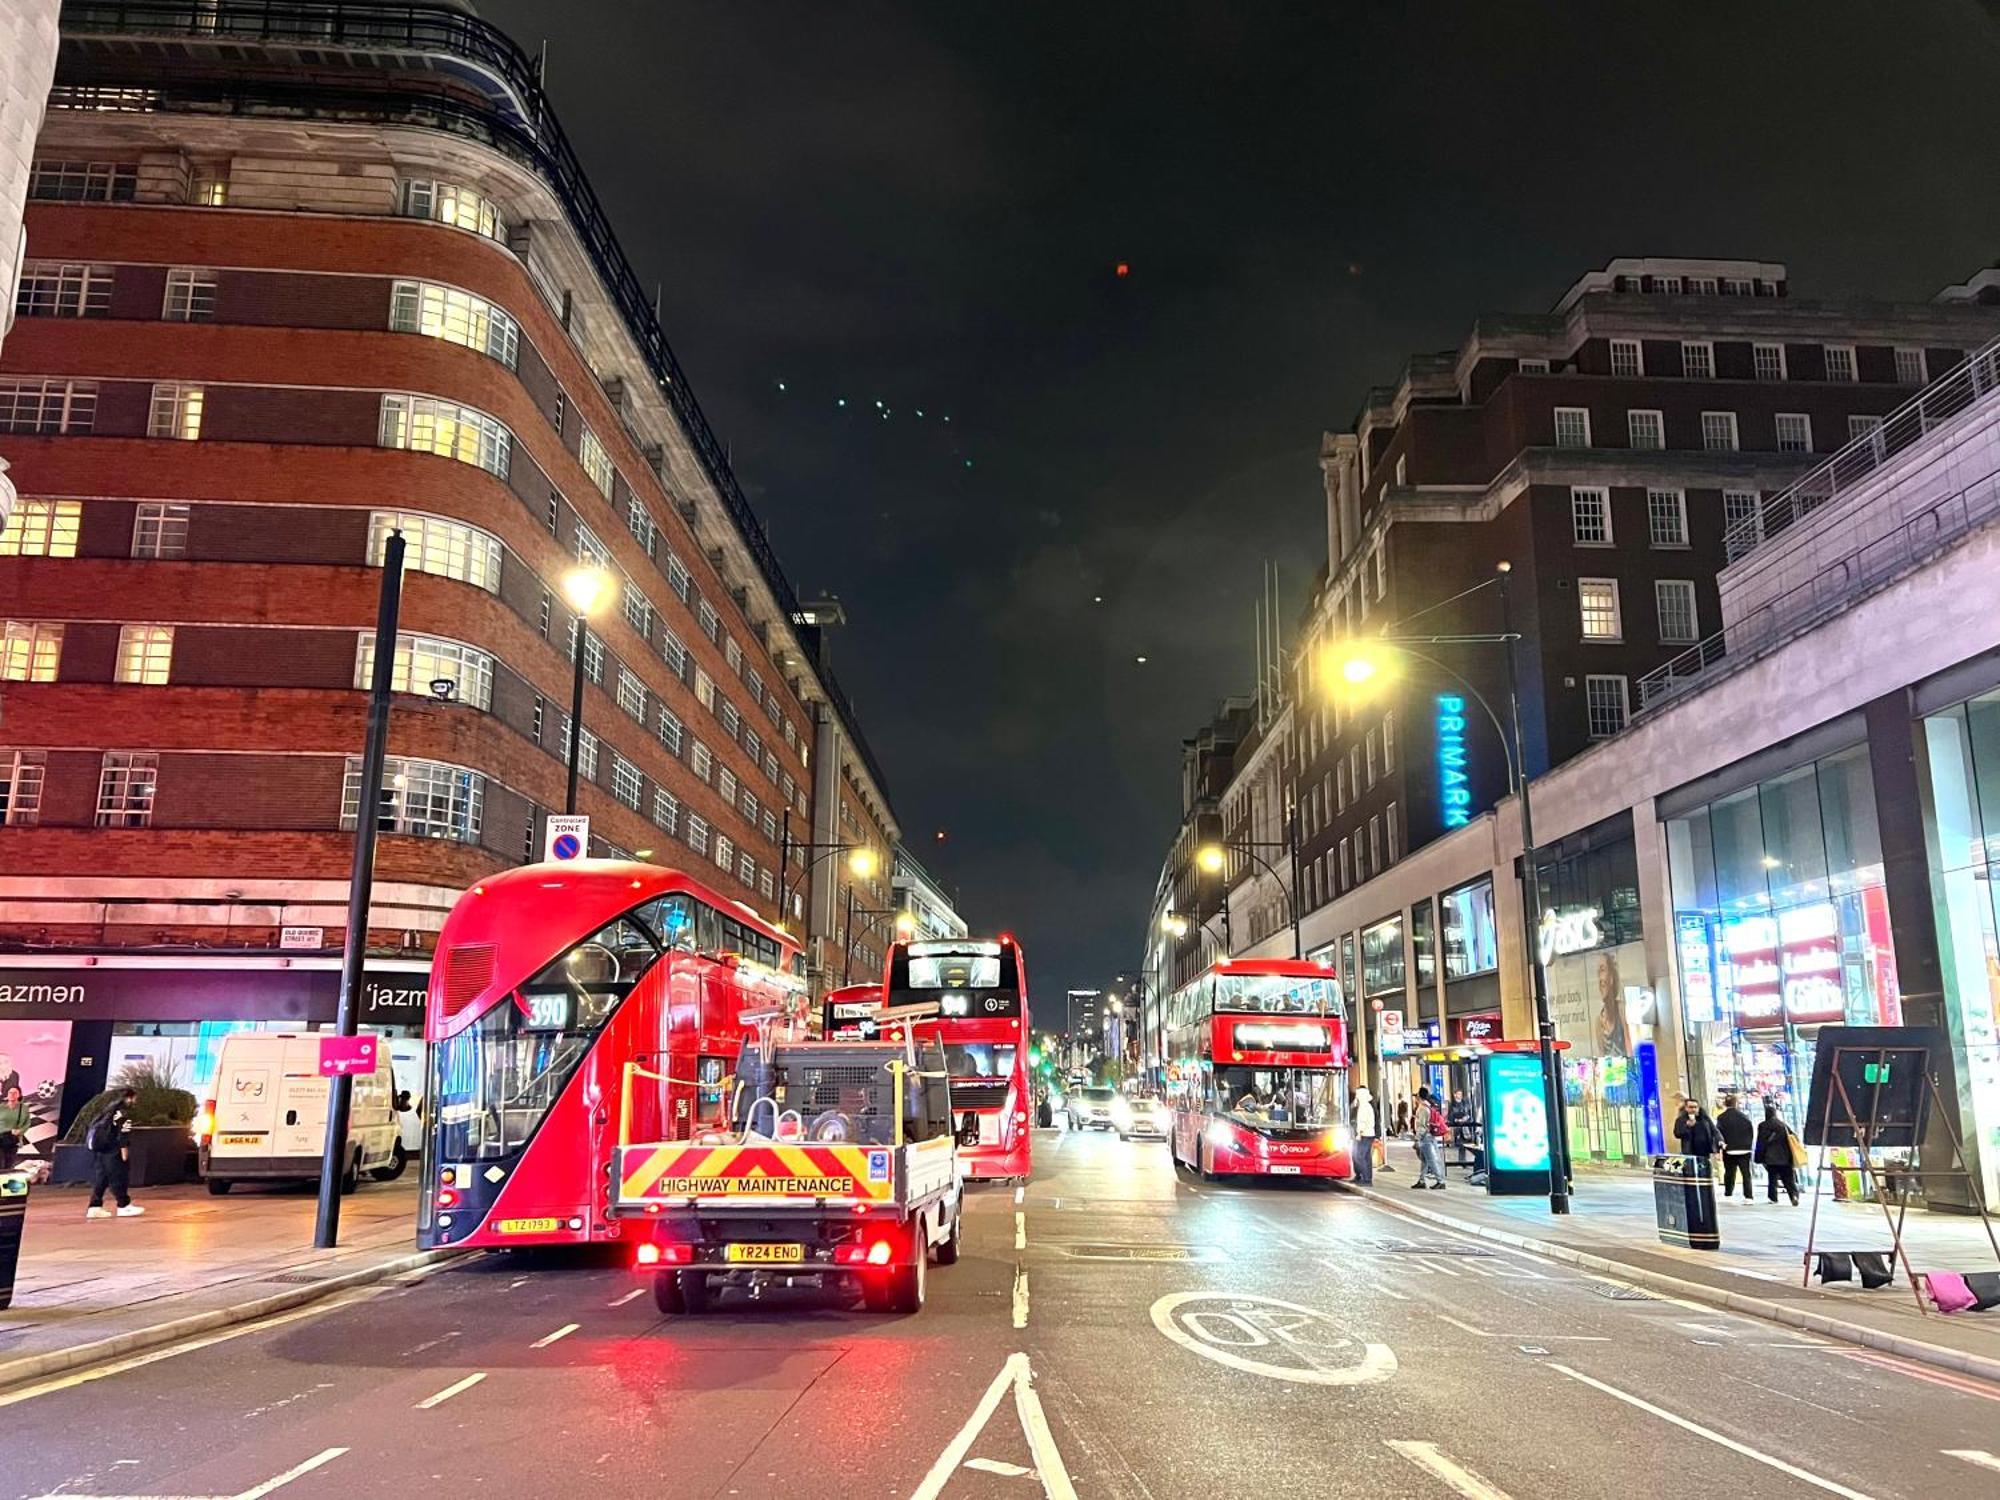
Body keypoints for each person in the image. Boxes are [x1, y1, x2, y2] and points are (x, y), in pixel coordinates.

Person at [85, 1087, 146, 1219]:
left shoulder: (107, 1111)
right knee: (119, 1178)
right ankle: (123, 1205)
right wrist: (124, 1151)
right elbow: (123, 1133)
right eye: (134, 1098)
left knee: (102, 1178)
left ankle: (95, 1206)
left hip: (100, 1149)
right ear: (128, 1098)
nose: (135, 1101)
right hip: (113, 1150)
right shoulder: (124, 1113)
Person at [1754, 1101, 1801, 1205]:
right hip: (1785, 1157)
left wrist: (1758, 1156)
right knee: (1789, 1179)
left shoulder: (1763, 1125)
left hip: (1770, 1157)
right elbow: (1793, 1138)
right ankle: (1793, 1195)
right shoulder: (1783, 1125)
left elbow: (1760, 1142)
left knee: (1772, 1178)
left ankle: (1773, 1198)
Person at [1716, 1092, 1755, 1199]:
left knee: (1729, 1172)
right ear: (1736, 1103)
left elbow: (1719, 1134)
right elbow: (1750, 1132)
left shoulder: (1721, 1118)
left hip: (1729, 1149)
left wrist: (1721, 1147)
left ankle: (1728, 1193)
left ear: (1725, 1103)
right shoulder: (1744, 1117)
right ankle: (1748, 1196)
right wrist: (1748, 1145)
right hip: (1744, 1149)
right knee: (1746, 1174)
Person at [1412, 1087, 1448, 1190]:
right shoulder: (1427, 1106)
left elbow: (1422, 1126)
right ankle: (1422, 1180)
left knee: (1431, 1160)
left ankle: (1440, 1181)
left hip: (1425, 1138)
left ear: (1419, 1097)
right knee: (1425, 1160)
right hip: (1428, 1136)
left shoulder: (1422, 1109)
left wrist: (1417, 1139)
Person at [1672, 1096, 1721, 1161]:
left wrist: (1717, 1146)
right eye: (1691, 1107)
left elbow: (1714, 1131)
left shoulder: (1704, 1118)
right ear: (1686, 1108)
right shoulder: (1681, 1120)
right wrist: (1687, 1126)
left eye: (1695, 1107)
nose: (1693, 1109)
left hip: (1704, 1152)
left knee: (1705, 1170)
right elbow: (1677, 1134)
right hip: (1689, 1152)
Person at [1351, 1085, 1378, 1186]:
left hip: (1364, 1134)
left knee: (1360, 1156)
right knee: (1365, 1156)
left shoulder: (1364, 1107)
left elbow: (1362, 1121)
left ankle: (1365, 1178)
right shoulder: (1367, 1106)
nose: (1357, 1096)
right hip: (1368, 1134)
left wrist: (1359, 1133)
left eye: (1358, 1094)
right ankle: (1365, 1177)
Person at [0, 1084, 30, 1170]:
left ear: (19, 1095)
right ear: (7, 1094)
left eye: (15, 1092)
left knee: (9, 1164)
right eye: (10, 1092)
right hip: (1, 1137)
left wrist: (20, 1131)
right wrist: (9, 1130)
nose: (12, 1094)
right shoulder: (1, 1107)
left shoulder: (24, 1108)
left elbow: (27, 1123)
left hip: (13, 1140)